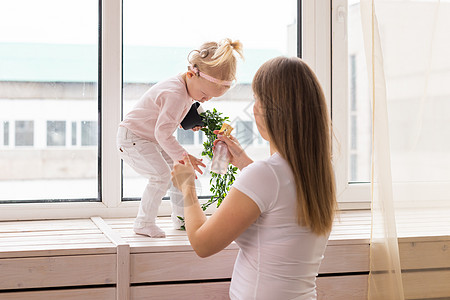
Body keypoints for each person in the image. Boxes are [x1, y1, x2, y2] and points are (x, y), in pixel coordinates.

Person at [171, 56, 337, 299]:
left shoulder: (265, 175)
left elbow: (202, 244)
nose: (254, 108)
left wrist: (187, 188)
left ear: (273, 111)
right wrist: (243, 162)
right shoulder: (319, 170)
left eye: (257, 99)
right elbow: (280, 201)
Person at [117, 39, 244, 238]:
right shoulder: (175, 93)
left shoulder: (185, 87)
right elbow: (162, 132)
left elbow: (170, 117)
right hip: (134, 138)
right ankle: (143, 223)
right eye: (204, 94)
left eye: (209, 98)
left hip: (152, 140)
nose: (204, 100)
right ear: (191, 73)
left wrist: (193, 122)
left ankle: (182, 219)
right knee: (160, 176)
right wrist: (184, 155)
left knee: (181, 173)